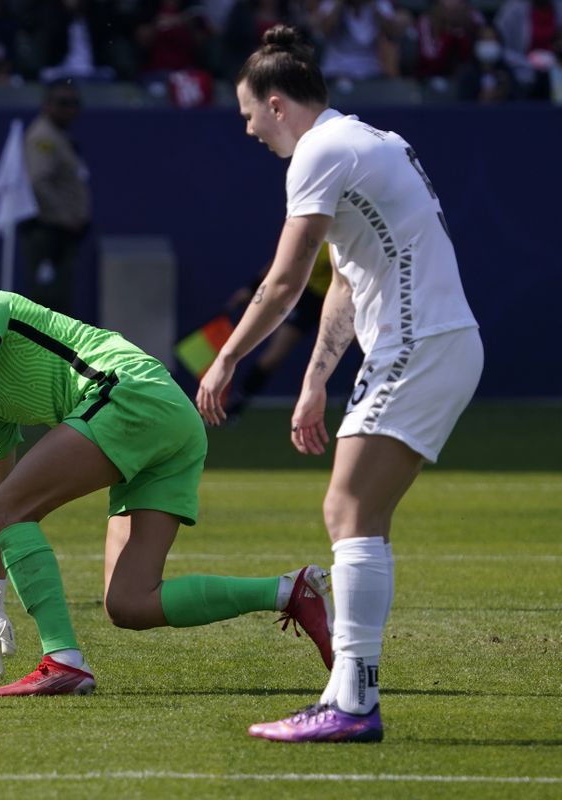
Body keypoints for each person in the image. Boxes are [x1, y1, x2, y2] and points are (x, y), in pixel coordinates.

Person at [0, 265, 333, 697]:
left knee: (11, 511)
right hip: (169, 424)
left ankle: (63, 660)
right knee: (130, 603)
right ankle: (291, 591)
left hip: (130, 395)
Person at [197, 24, 482, 742]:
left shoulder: (318, 151)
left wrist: (227, 357)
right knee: (357, 516)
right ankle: (348, 692)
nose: (250, 130)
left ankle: (353, 705)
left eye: (250, 115)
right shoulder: (365, 142)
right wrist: (315, 381)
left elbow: (285, 281)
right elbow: (346, 283)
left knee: (347, 510)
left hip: (421, 345)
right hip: (432, 344)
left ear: (277, 103)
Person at [221, 243, 334, 420]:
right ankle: (237, 402)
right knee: (274, 356)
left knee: (368, 348)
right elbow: (281, 263)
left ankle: (359, 400)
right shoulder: (317, 229)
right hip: (309, 298)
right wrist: (251, 289)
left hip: (344, 300)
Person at [19, 80, 91, 318]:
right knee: (49, 302)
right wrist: (66, 217)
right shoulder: (44, 137)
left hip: (62, 233)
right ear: (47, 104)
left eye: (74, 104)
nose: (69, 109)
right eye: (62, 103)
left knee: (60, 299)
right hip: (49, 232)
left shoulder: (59, 136)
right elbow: (39, 182)